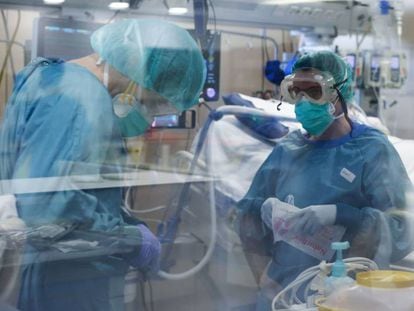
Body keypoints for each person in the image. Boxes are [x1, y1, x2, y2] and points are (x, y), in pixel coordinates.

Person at [0, 19, 206, 311]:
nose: (150, 116)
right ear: (135, 68)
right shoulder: (85, 100)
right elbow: (50, 215)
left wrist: (120, 220)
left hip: (45, 273)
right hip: (64, 282)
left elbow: (70, 191)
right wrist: (130, 239)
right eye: (154, 102)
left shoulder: (51, 77)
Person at [237, 51, 413, 310]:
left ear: (339, 93)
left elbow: (402, 227)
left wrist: (342, 214)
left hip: (347, 294)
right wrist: (264, 277)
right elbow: (246, 216)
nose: (304, 101)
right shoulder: (288, 150)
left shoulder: (371, 151)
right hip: (281, 292)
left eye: (314, 91)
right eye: (296, 91)